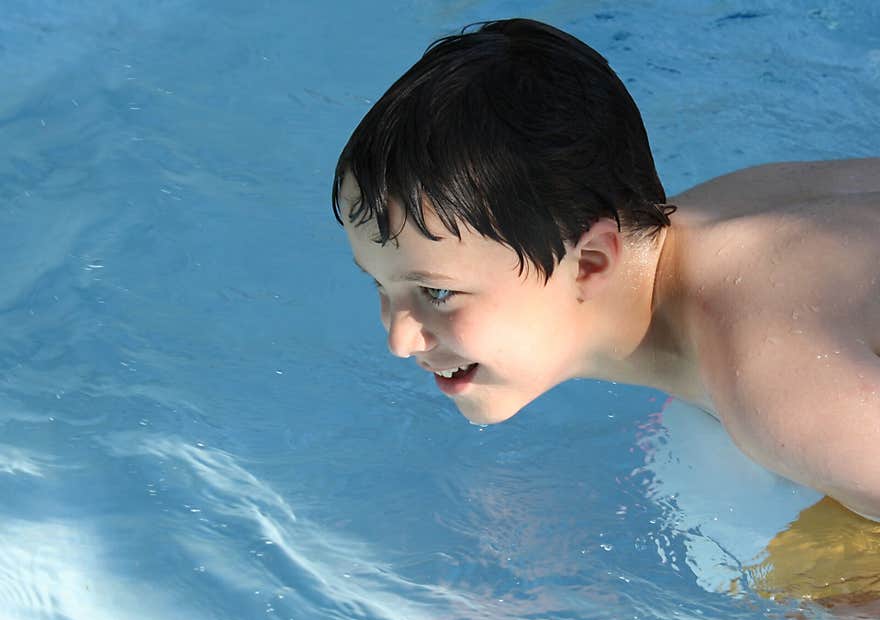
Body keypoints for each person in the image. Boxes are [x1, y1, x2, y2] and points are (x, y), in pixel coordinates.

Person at [331, 18, 880, 521]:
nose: (399, 339)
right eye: (380, 283)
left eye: (437, 292)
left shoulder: (784, 397)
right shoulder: (716, 219)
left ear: (591, 261)